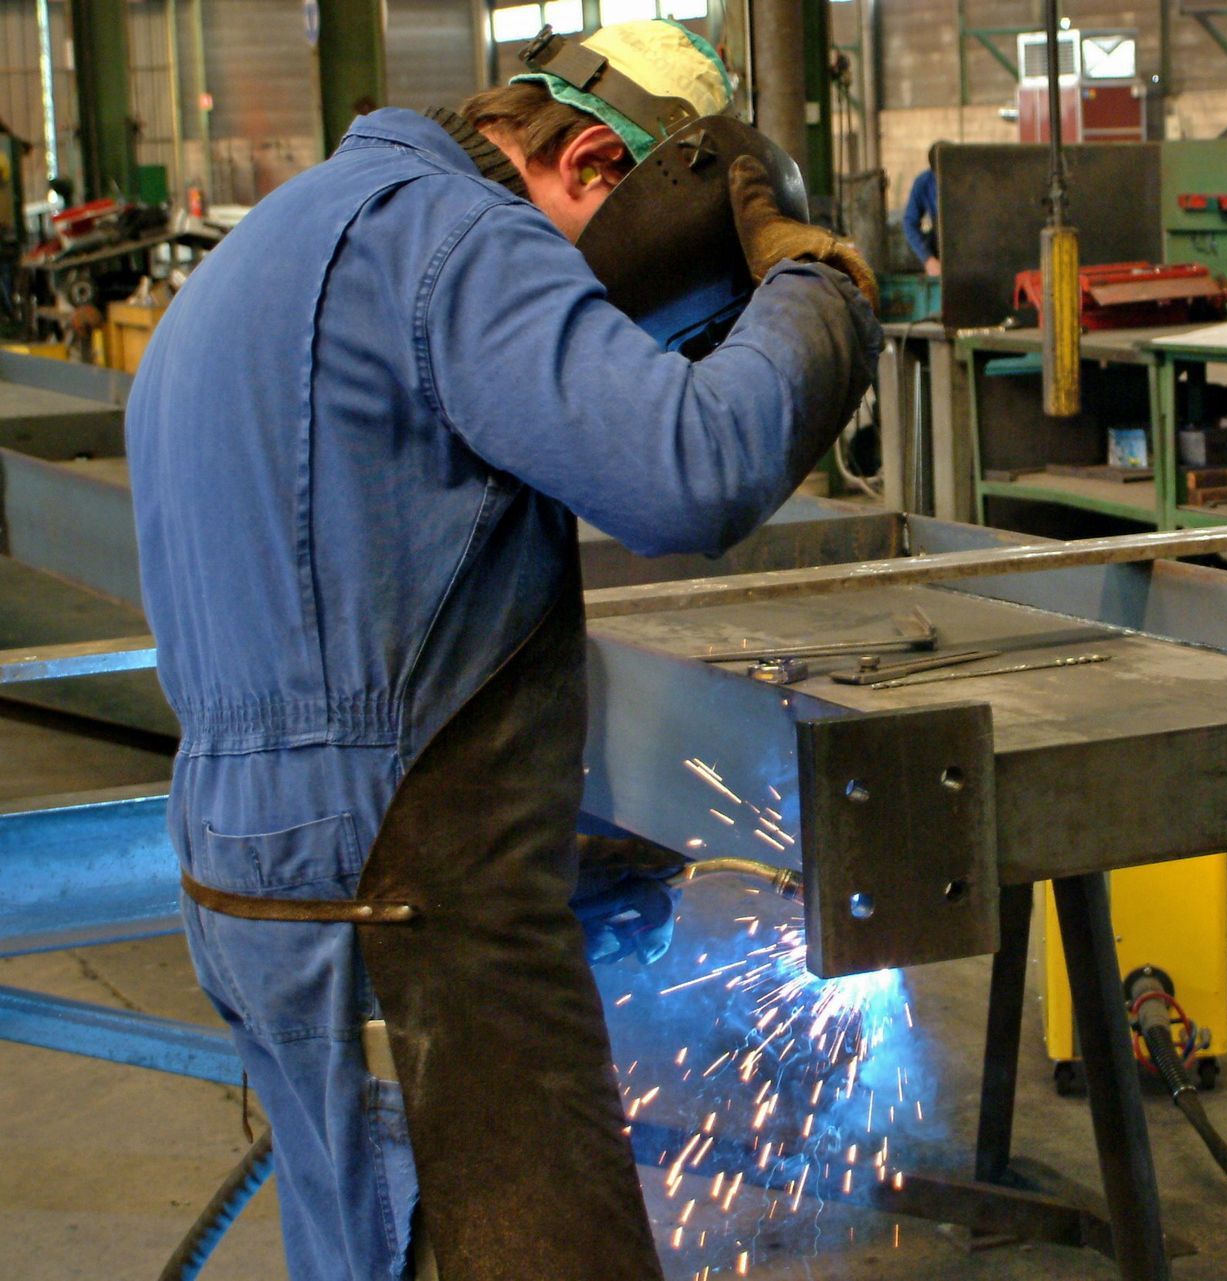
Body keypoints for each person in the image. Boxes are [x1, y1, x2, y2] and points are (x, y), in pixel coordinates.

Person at [124, 17, 878, 1281]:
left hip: (258, 880)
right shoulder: (462, 242)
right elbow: (693, 472)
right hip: (408, 901)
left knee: (370, 1245)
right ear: (586, 161)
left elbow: (344, 596)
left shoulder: (284, 239)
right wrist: (822, 294)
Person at [903, 143, 941, 276]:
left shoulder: (969, 183)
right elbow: (909, 223)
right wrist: (928, 259)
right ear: (933, 170)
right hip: (939, 252)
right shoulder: (924, 183)